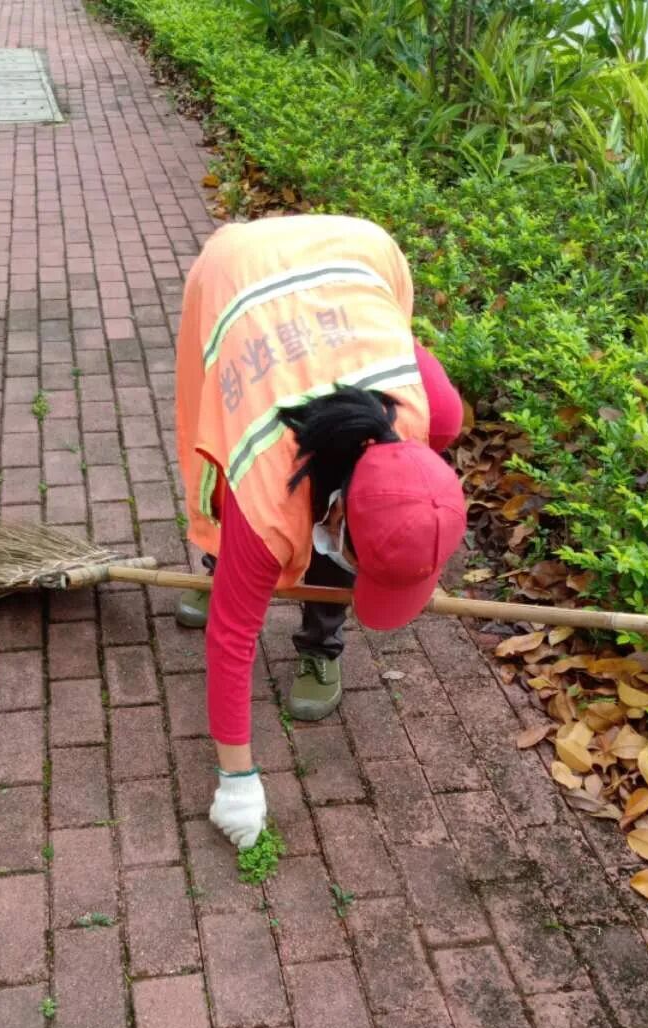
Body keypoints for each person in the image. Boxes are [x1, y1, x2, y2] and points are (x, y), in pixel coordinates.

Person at [175, 213, 467, 851]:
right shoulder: (267, 492)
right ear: (335, 515)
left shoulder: (434, 414)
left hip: (360, 258)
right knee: (221, 450)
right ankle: (218, 563)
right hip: (237, 270)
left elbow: (401, 352)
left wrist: (396, 512)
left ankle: (319, 644)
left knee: (357, 534)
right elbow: (232, 638)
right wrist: (236, 779)